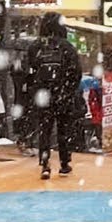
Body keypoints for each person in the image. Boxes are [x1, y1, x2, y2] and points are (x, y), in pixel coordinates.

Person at [25, 14, 83, 180]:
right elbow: (76, 73)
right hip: (63, 95)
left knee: (45, 129)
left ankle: (45, 164)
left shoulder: (36, 47)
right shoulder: (67, 47)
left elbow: (29, 72)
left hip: (43, 96)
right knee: (63, 130)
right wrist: (69, 91)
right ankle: (64, 163)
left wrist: (36, 91)